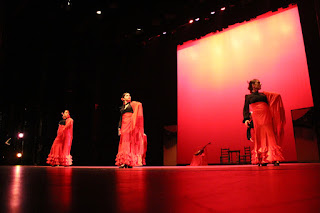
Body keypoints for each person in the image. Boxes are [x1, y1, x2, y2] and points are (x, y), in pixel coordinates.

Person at [243, 79, 285, 166]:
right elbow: (246, 109)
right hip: (257, 118)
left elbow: (276, 96)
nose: (260, 84)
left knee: (270, 134)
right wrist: (246, 119)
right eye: (258, 83)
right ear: (253, 85)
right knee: (259, 135)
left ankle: (275, 158)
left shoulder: (264, 94)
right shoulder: (248, 97)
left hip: (266, 116)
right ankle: (262, 158)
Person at [115, 93, 147, 168]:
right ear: (122, 99)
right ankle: (123, 161)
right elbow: (121, 118)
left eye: (129, 95)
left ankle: (129, 162)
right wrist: (119, 128)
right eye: (127, 95)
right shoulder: (122, 107)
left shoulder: (132, 105)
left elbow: (139, 106)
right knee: (123, 143)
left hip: (130, 126)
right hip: (123, 126)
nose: (129, 96)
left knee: (129, 143)